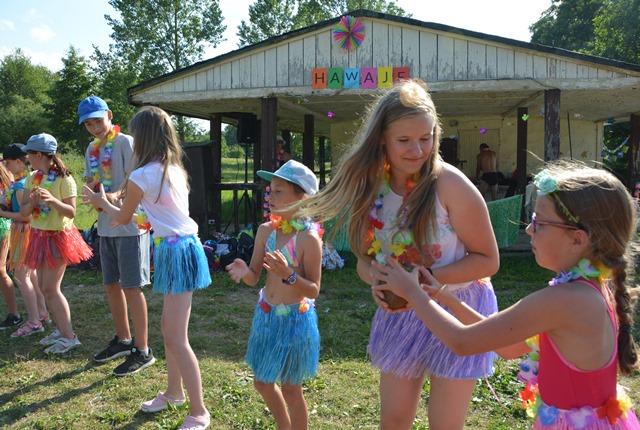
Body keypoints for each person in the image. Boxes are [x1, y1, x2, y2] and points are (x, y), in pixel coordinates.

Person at [371, 160, 640, 429]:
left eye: (539, 222)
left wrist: (411, 291)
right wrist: (441, 295)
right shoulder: (590, 291)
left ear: (577, 239)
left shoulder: (563, 301)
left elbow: (462, 342)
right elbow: (508, 348)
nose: (529, 229)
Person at [294, 79, 500, 429]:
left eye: (426, 138)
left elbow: (488, 260)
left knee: (445, 425)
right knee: (393, 420)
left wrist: (422, 281)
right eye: (404, 140)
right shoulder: (370, 188)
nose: (417, 150)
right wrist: (376, 279)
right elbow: (365, 261)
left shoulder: (450, 185)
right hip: (401, 311)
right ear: (382, 139)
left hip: (456, 306)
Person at [82, 106, 212, 430]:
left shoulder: (142, 175)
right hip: (180, 248)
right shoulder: (173, 169)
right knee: (169, 330)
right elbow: (151, 212)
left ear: (142, 138)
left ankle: (199, 411)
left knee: (176, 337)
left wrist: (100, 203)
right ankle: (173, 393)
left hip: (176, 251)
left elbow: (124, 217)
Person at [226, 159, 323, 430]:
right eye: (271, 190)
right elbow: (254, 277)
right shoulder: (266, 231)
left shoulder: (308, 239)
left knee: (292, 389)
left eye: (279, 191)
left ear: (302, 198)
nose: (270, 196)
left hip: (295, 321)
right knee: (262, 382)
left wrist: (289, 274)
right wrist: (244, 271)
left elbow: (314, 289)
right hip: (267, 316)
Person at [78, 95, 155, 376]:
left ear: (109, 115)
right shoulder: (91, 148)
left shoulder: (126, 142)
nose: (94, 128)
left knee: (132, 287)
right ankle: (123, 340)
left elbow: (136, 180)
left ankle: (142, 350)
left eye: (98, 121)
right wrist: (92, 193)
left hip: (131, 225)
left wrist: (111, 196)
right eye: (88, 124)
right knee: (111, 284)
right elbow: (93, 180)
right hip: (106, 225)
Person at [20, 133, 93, 353]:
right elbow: (24, 211)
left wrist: (52, 200)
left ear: (39, 155)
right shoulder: (31, 178)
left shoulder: (64, 179)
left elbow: (71, 212)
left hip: (58, 237)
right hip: (39, 236)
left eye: (29, 154)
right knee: (45, 288)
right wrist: (32, 203)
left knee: (51, 288)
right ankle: (61, 330)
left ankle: (69, 336)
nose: (26, 158)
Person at [1, 144, 49, 338]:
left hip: (23, 232)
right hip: (27, 232)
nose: (6, 166)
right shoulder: (25, 181)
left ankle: (34, 322)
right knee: (31, 275)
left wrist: (2, 213)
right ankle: (42, 313)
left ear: (19, 162)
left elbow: (25, 215)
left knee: (22, 277)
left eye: (8, 162)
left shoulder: (21, 185)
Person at [0, 159, 22, 331]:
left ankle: (14, 315)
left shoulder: (6, 179)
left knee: (0, 270)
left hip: (2, 225)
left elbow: (8, 204)